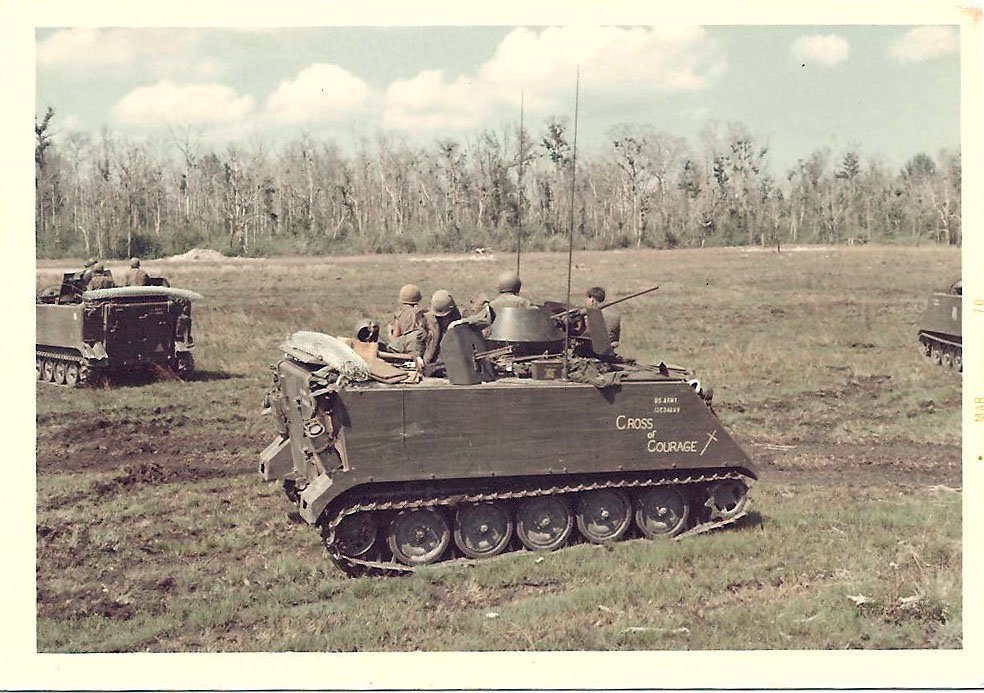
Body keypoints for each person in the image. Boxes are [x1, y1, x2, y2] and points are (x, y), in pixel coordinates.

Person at [387, 284, 429, 357]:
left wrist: (389, 333)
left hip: (408, 353)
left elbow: (395, 340)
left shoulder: (400, 315)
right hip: (424, 351)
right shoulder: (424, 313)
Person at [422, 289, 462, 364]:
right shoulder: (428, 319)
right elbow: (418, 339)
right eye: (438, 317)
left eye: (445, 316)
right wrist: (418, 356)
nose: (441, 319)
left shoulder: (461, 319)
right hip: (431, 361)